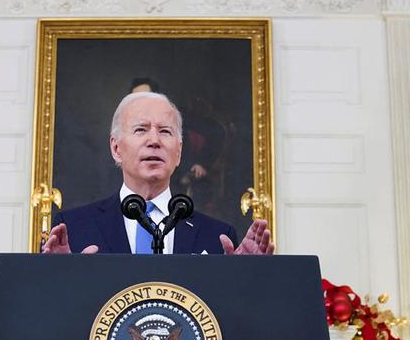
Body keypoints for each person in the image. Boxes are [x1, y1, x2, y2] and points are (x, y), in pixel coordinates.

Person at [41, 91, 273, 255]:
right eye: (140, 129)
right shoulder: (73, 228)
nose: (154, 140)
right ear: (116, 148)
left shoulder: (217, 237)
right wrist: (59, 276)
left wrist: (246, 277)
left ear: (179, 152)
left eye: (164, 131)